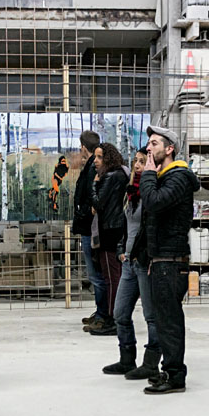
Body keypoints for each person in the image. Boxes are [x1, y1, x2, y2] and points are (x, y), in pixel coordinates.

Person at [131, 125, 200, 394]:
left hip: (171, 262)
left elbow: (154, 202)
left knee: (169, 321)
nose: (149, 148)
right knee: (164, 319)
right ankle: (169, 371)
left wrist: (147, 174)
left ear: (169, 149)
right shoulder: (165, 176)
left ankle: (175, 377)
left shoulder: (179, 177)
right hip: (160, 260)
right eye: (148, 143)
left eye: (155, 144)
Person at [102, 147, 162, 378]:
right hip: (128, 263)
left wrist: (146, 256)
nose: (137, 165)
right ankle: (126, 359)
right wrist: (120, 250)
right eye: (135, 161)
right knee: (120, 313)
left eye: (141, 161)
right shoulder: (130, 194)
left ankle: (151, 363)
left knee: (151, 316)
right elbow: (125, 228)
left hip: (144, 262)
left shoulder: (150, 193)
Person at [89, 143, 129, 336]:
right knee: (114, 276)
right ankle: (114, 316)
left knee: (111, 277)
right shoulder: (122, 174)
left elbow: (98, 203)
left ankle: (113, 319)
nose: (95, 161)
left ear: (108, 158)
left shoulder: (110, 177)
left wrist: (95, 184)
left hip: (109, 231)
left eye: (99, 157)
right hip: (116, 229)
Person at [72, 130, 108, 329]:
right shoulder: (90, 167)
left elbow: (92, 199)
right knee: (95, 273)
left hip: (91, 228)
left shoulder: (94, 168)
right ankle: (100, 311)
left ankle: (103, 314)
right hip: (87, 226)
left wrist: (83, 213)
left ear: (84, 147)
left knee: (96, 274)